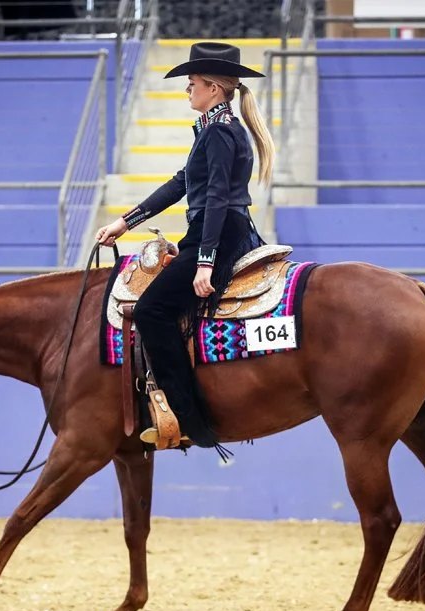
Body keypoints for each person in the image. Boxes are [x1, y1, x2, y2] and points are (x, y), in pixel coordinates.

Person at [94, 41, 276, 450]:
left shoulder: (218, 132)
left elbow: (214, 199)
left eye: (191, 83)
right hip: (222, 230)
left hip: (218, 235)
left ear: (213, 87)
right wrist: (126, 222)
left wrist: (205, 263)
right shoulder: (216, 128)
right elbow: (181, 183)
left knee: (152, 311)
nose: (187, 90)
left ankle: (190, 420)